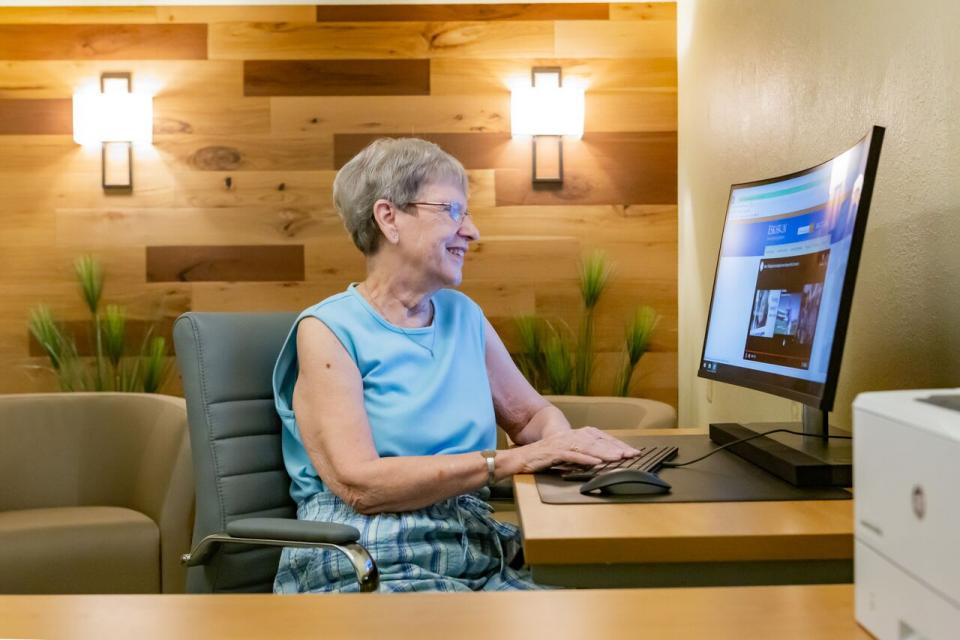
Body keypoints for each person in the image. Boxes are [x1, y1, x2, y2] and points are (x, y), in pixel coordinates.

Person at [272, 137, 640, 593]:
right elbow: (360, 485)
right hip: (366, 552)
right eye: (452, 211)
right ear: (389, 218)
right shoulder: (327, 330)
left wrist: (564, 446)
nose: (472, 230)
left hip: (471, 544)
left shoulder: (464, 315)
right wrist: (515, 459)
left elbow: (530, 417)